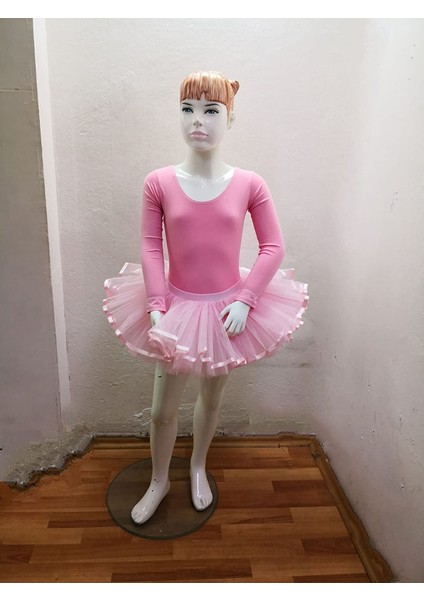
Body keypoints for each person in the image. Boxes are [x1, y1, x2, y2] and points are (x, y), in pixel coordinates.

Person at [103, 71, 309, 525]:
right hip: (175, 308)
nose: (198, 120)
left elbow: (274, 247)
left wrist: (246, 300)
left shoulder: (250, 183)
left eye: (211, 110)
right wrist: (156, 304)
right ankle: (159, 480)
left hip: (227, 309)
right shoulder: (158, 182)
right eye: (188, 109)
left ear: (230, 119)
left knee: (212, 400)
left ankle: (197, 467)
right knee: (162, 410)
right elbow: (151, 247)